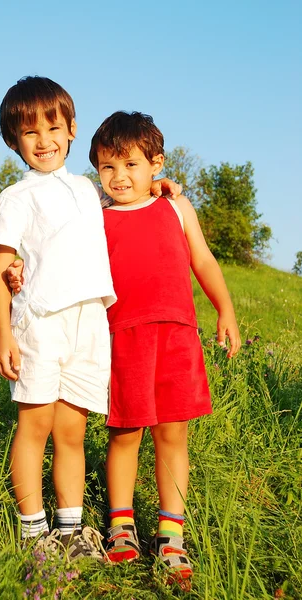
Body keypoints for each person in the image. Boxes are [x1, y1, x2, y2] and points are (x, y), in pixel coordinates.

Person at [0, 76, 181, 561]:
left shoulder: (87, 189)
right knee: (34, 426)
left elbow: (127, 195)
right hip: (41, 323)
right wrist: (3, 334)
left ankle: (70, 532)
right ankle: (34, 535)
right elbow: (0, 268)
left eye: (52, 127)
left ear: (72, 129)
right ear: (14, 142)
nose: (44, 141)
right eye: (29, 133)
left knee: (72, 431)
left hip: (89, 324)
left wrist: (159, 185)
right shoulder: (15, 198)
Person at [87, 111, 241, 587]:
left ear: (156, 164)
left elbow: (203, 259)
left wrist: (226, 310)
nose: (119, 177)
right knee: (126, 432)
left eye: (130, 164)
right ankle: (121, 526)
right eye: (107, 167)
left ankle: (170, 535)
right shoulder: (94, 217)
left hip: (177, 335)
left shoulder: (177, 207)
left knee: (173, 436)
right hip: (123, 337)